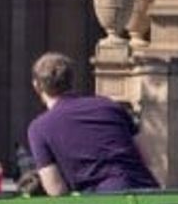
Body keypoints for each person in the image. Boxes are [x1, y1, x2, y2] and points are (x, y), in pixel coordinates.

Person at [27, 50, 160, 195]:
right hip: (149, 196)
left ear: (36, 86)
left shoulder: (39, 128)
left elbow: (57, 190)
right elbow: (147, 157)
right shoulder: (109, 106)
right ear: (71, 81)